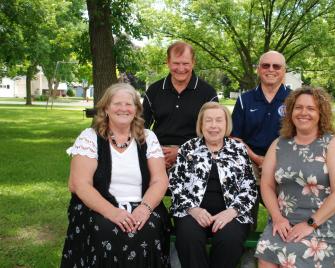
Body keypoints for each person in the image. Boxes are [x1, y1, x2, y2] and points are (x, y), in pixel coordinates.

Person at [61, 83, 170, 267]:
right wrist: (112, 212)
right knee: (105, 230)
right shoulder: (90, 137)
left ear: (136, 109)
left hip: (141, 204)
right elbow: (79, 184)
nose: (123, 109)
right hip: (100, 206)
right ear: (106, 108)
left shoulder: (148, 137)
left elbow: (160, 180)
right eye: (117, 103)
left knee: (148, 230)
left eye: (129, 104)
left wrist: (144, 209)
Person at [255, 87, 335, 267]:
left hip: (325, 223)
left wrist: (310, 224)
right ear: (291, 112)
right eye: (298, 107)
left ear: (321, 114)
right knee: (265, 254)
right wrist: (277, 218)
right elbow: (267, 184)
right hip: (284, 220)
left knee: (292, 259)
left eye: (311, 108)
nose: (303, 113)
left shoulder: (333, 145)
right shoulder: (278, 144)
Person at [169, 102, 257, 268]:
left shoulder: (238, 149)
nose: (214, 125)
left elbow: (249, 187)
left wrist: (231, 212)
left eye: (219, 120)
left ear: (226, 125)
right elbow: (175, 183)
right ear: (201, 125)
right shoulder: (188, 148)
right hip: (192, 212)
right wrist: (193, 209)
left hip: (231, 214)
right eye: (208, 120)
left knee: (229, 239)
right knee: (189, 237)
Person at [232, 51, 291, 268]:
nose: (271, 70)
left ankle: (281, 245)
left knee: (287, 200)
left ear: (284, 71)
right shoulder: (245, 99)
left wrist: (272, 160)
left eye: (277, 66)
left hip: (283, 159)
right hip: (249, 158)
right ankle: (249, 249)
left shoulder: (294, 99)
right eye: (266, 66)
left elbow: (298, 136)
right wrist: (256, 158)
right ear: (259, 69)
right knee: (245, 196)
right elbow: (234, 136)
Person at [143, 41, 218, 169]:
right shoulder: (154, 90)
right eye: (176, 63)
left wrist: (182, 151)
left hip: (196, 157)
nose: (181, 68)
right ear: (168, 62)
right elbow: (140, 127)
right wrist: (155, 152)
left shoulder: (208, 93)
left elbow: (215, 134)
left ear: (193, 63)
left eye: (186, 63)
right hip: (157, 154)